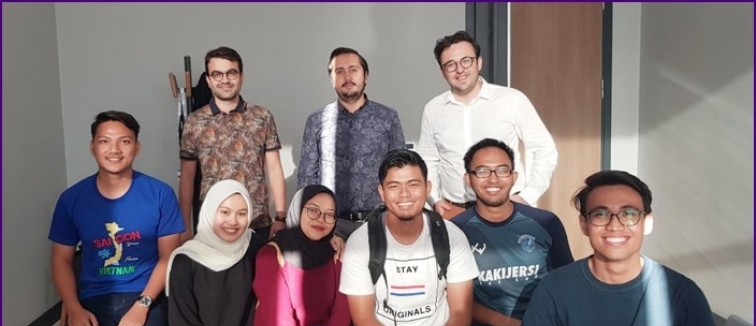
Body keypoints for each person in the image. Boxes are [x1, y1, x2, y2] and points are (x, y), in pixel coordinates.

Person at [517, 170, 733, 326]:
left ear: (647, 222)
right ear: (584, 224)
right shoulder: (555, 289)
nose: (615, 225)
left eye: (629, 213)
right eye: (600, 214)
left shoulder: (682, 294)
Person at [47, 111, 184, 326]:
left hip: (147, 295)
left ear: (137, 147)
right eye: (105, 141)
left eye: (124, 141)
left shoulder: (159, 194)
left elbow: (168, 257)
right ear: (92, 147)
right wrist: (74, 308)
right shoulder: (72, 199)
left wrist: (143, 305)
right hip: (94, 300)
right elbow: (61, 260)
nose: (114, 150)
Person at [340, 149, 481, 326]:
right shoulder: (361, 242)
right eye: (394, 186)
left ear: (428, 187)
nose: (404, 194)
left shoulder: (451, 236)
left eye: (413, 184)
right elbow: (363, 318)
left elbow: (461, 312)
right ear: (381, 192)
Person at [451, 138, 574, 326]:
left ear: (514, 176)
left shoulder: (545, 223)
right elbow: (453, 298)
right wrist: (504, 324)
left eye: (502, 170)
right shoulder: (456, 231)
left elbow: (566, 284)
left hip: (546, 324)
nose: (493, 179)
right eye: (482, 171)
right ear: (468, 179)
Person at [417, 30, 558, 219]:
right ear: (442, 72)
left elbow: (545, 150)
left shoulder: (512, 100)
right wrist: (434, 199)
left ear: (479, 62)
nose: (460, 69)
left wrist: (527, 196)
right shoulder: (433, 109)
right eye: (450, 64)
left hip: (505, 208)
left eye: (466, 61)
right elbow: (428, 159)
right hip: (455, 211)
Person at [167, 180, 268, 326]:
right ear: (210, 211)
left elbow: (287, 249)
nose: (233, 221)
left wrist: (332, 240)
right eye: (224, 212)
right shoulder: (185, 260)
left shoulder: (251, 246)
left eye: (241, 213)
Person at [251, 185, 353, 326]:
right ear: (297, 209)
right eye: (313, 210)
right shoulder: (271, 254)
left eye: (329, 214)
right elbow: (281, 322)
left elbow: (342, 310)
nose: (321, 220)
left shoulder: (336, 253)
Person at [179, 46, 286, 242]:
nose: (225, 80)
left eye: (231, 73)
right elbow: (187, 177)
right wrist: (184, 226)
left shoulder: (262, 117)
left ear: (241, 76)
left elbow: (274, 168)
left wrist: (280, 217)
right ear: (208, 80)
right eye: (217, 74)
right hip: (213, 224)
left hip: (257, 223)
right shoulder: (194, 122)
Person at [298, 47, 406, 238]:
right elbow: (307, 177)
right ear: (332, 79)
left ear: (366, 76)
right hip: (331, 225)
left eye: (353, 70)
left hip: (379, 222)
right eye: (339, 71)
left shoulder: (387, 117)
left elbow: (401, 171)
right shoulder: (317, 120)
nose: (347, 77)